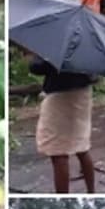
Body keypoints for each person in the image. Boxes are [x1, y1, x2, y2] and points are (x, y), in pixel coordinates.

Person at [27, 50, 96, 193]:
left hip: (60, 96)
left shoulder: (57, 41)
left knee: (58, 152)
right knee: (81, 145)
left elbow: (37, 68)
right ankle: (91, 191)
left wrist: (35, 55)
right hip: (83, 93)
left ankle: (63, 195)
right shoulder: (86, 39)